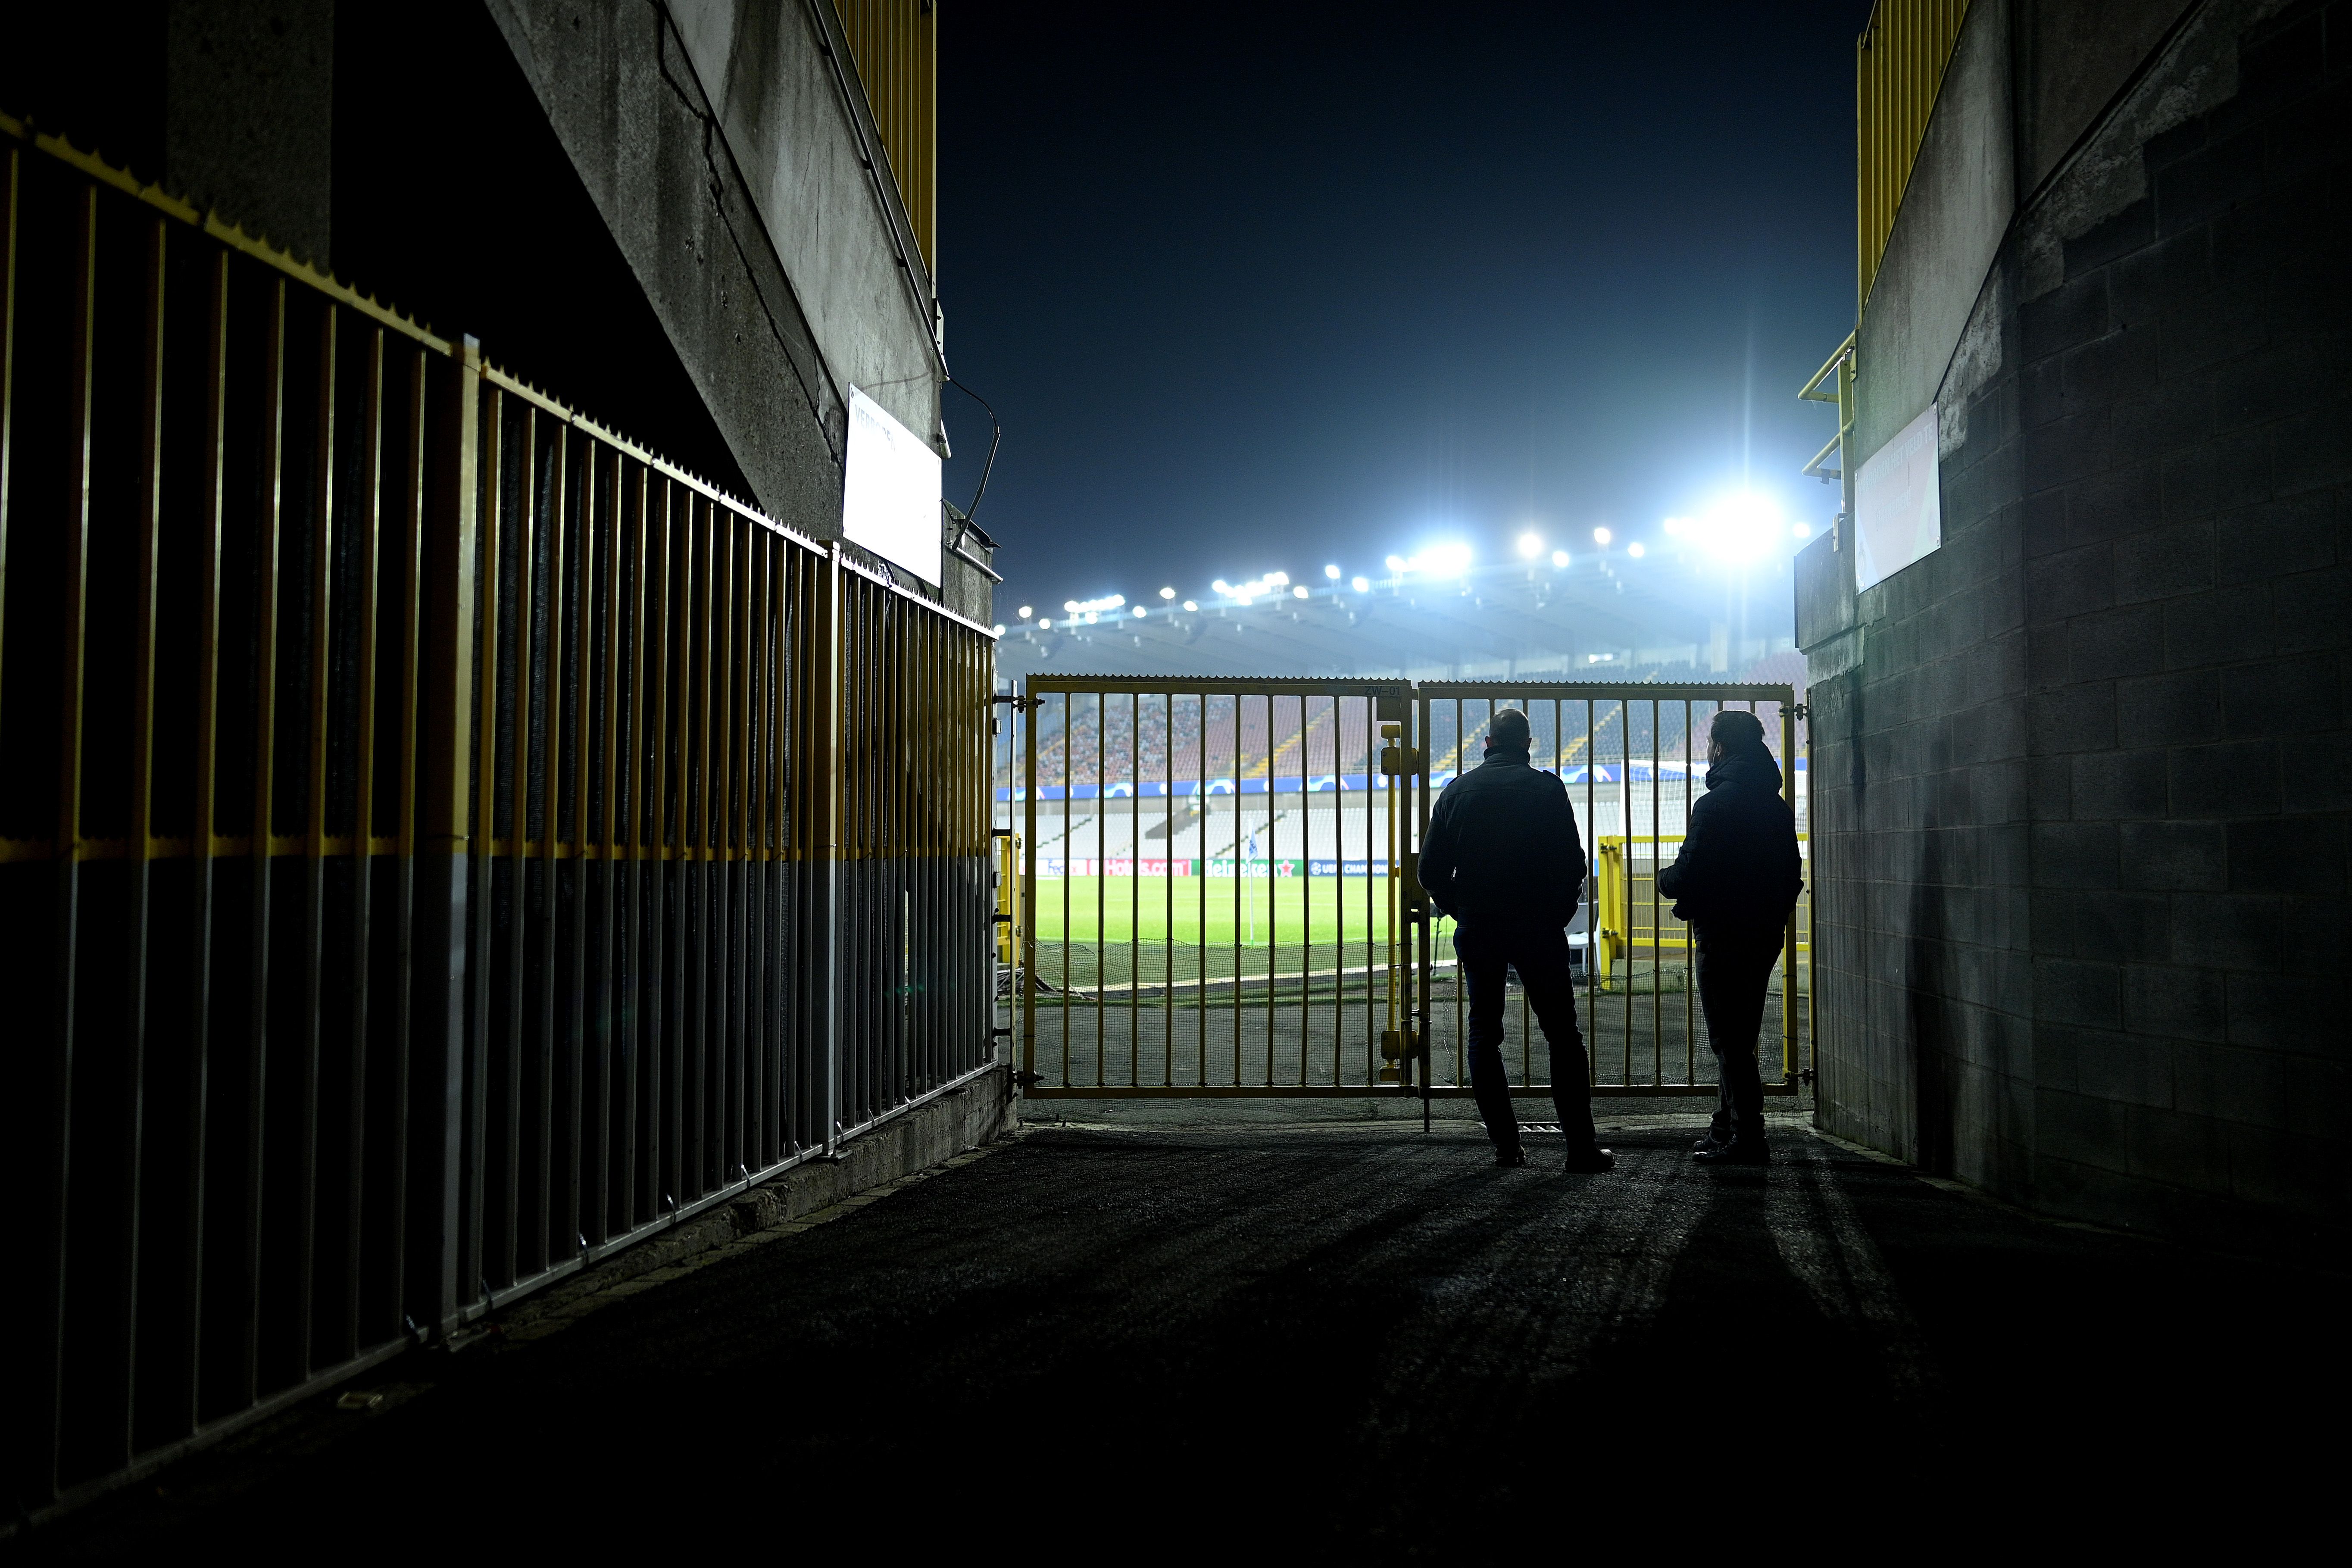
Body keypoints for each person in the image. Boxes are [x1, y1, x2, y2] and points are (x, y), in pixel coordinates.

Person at [1418, 708, 1613, 1173]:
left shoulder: (1456, 790)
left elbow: (1429, 873)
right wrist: (1554, 917)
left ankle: (1507, 1146)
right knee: (1563, 1036)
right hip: (1537, 928)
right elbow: (1573, 866)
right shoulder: (1546, 789)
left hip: (1479, 927)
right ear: (1529, 743)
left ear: (1487, 741)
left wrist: (1461, 907)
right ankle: (1581, 1149)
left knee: (1485, 1034)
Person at [1658, 708, 1804, 1165]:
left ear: (1720, 747)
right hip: (1763, 935)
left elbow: (1689, 873)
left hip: (1722, 936)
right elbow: (1791, 875)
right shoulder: (1775, 806)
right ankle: (1726, 1128)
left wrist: (1666, 881)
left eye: (1709, 744)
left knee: (1729, 1040)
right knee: (1741, 1035)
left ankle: (1749, 1137)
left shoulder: (1715, 805)